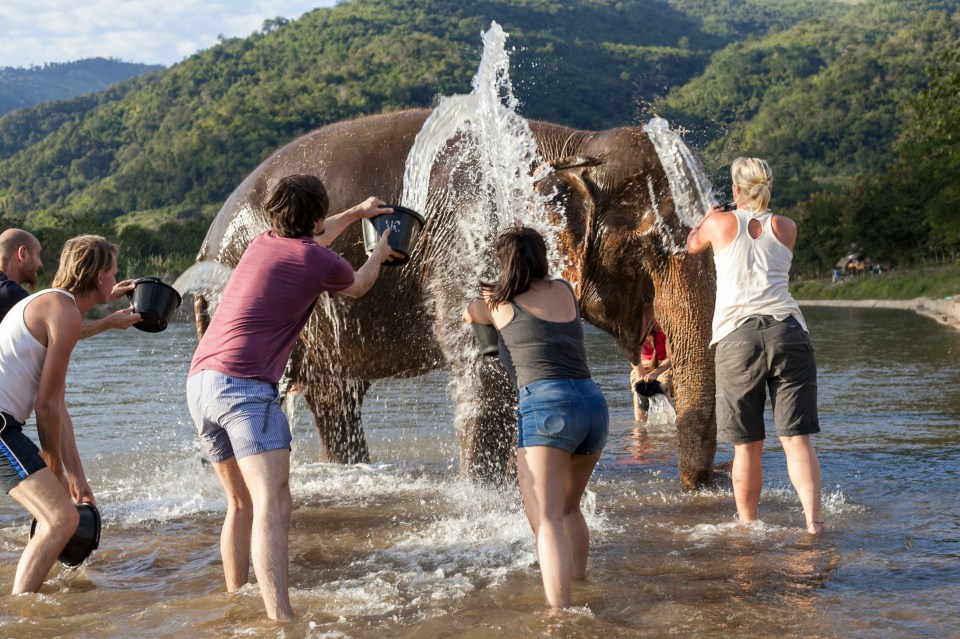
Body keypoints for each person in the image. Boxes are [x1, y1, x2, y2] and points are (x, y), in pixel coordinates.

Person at [186, 174, 400, 621]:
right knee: (273, 501)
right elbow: (359, 285)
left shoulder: (262, 243)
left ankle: (234, 599)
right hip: (244, 389)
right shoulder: (318, 261)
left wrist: (358, 212)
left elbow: (316, 230)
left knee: (240, 503)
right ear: (316, 216)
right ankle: (280, 618)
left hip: (201, 382)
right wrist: (380, 250)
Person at [462, 225, 609, 610]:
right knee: (569, 507)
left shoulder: (497, 303)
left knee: (546, 520)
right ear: (542, 258)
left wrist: (488, 293)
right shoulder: (565, 290)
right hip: (593, 405)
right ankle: (581, 584)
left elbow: (470, 314)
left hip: (547, 408)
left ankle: (560, 614)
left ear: (504, 263)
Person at [686, 157, 824, 535]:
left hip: (737, 338)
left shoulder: (718, 223)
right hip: (788, 333)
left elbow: (691, 244)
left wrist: (706, 216)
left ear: (735, 189)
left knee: (747, 446)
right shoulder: (787, 226)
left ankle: (749, 526)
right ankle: (813, 523)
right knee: (797, 439)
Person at [0, 235, 124, 593]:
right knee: (60, 519)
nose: (115, 282)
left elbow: (59, 407)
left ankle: (31, 605)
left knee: (58, 517)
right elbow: (46, 407)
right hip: (2, 427)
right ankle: (24, 616)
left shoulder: (55, 305)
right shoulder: (63, 311)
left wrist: (77, 477)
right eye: (113, 273)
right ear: (100, 276)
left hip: (7, 427)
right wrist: (56, 470)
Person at [0, 228, 142, 334]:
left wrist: (104, 291)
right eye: (38, 255)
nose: (40, 264)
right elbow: (59, 325)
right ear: (23, 253)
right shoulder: (9, 294)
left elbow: (56, 308)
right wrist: (108, 323)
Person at [629, 318, 673, 422]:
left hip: (664, 364)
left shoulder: (664, 327)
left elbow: (671, 358)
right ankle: (640, 429)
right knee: (638, 390)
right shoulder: (635, 329)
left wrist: (656, 373)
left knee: (664, 386)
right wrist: (640, 374)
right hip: (641, 364)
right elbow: (632, 356)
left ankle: (668, 427)